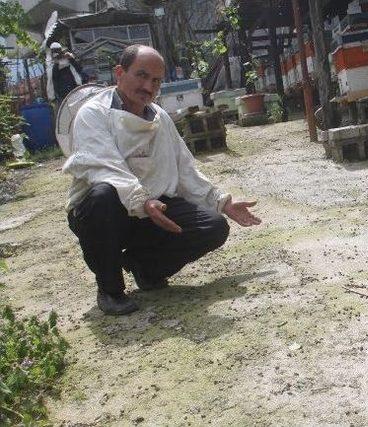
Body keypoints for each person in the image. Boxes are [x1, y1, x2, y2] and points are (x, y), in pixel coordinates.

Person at [63, 44, 261, 315]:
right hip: (107, 214)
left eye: (155, 80)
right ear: (119, 73)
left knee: (213, 227)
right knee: (102, 197)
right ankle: (110, 289)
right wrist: (141, 201)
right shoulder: (93, 113)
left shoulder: (160, 117)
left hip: (152, 210)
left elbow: (184, 169)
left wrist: (221, 202)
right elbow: (104, 167)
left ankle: (145, 267)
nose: (148, 86)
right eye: (141, 76)